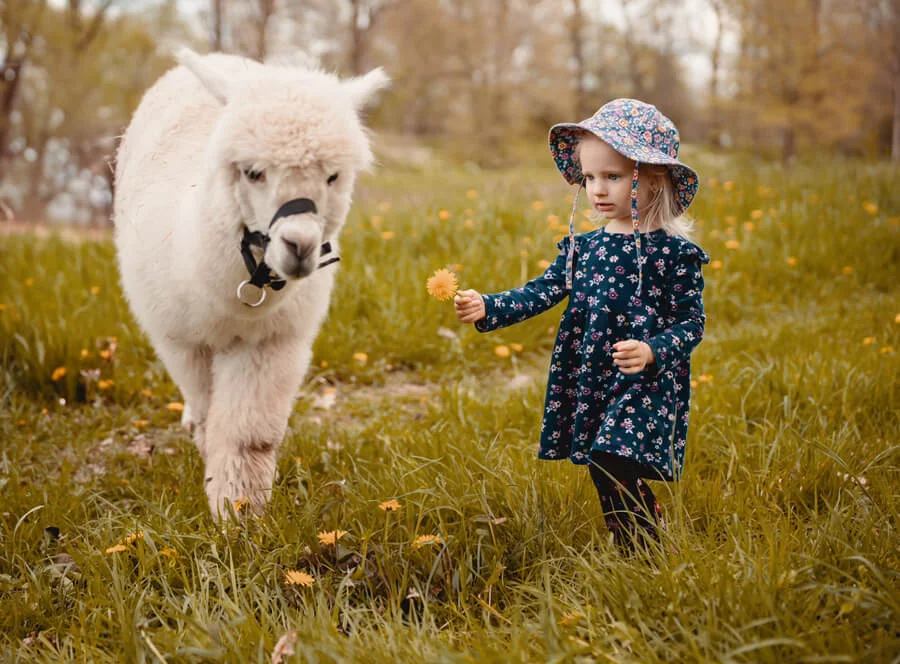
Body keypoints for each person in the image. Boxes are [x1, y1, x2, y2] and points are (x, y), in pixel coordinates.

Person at [454, 99, 709, 553]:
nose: (597, 189)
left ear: (652, 179)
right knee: (602, 462)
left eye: (612, 176)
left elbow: (691, 323)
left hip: (645, 378)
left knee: (613, 454)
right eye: (589, 177)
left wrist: (653, 351)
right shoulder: (583, 248)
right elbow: (542, 290)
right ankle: (638, 544)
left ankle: (648, 546)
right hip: (591, 374)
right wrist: (489, 307)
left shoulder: (674, 253)